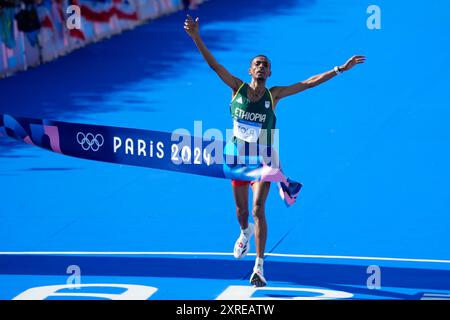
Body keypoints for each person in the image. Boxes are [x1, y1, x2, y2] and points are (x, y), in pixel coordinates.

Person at [184, 15, 365, 287]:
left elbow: (308, 82)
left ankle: (259, 268)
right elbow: (213, 65)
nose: (260, 67)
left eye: (265, 65)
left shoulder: (275, 95)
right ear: (249, 70)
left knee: (258, 209)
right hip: (236, 158)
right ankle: (244, 233)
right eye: (257, 63)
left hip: (263, 159)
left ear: (269, 74)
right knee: (242, 212)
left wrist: (340, 69)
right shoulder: (237, 88)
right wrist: (196, 36)